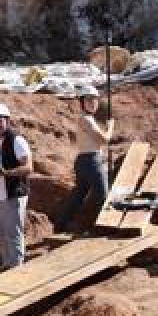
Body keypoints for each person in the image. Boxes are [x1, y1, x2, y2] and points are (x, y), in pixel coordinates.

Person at [52, 84, 114, 234]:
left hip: (84, 161)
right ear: (82, 102)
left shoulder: (88, 119)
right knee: (102, 195)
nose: (92, 102)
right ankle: (95, 228)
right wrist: (111, 126)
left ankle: (61, 225)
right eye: (88, 100)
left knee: (79, 194)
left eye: (94, 100)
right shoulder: (87, 120)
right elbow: (104, 139)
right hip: (91, 161)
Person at [0, 103, 33, 268]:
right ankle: (7, 264)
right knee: (0, 233)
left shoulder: (17, 140)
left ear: (7, 120)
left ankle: (17, 267)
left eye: (0, 121)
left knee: (13, 233)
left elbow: (28, 167)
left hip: (13, 193)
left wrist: (6, 173)